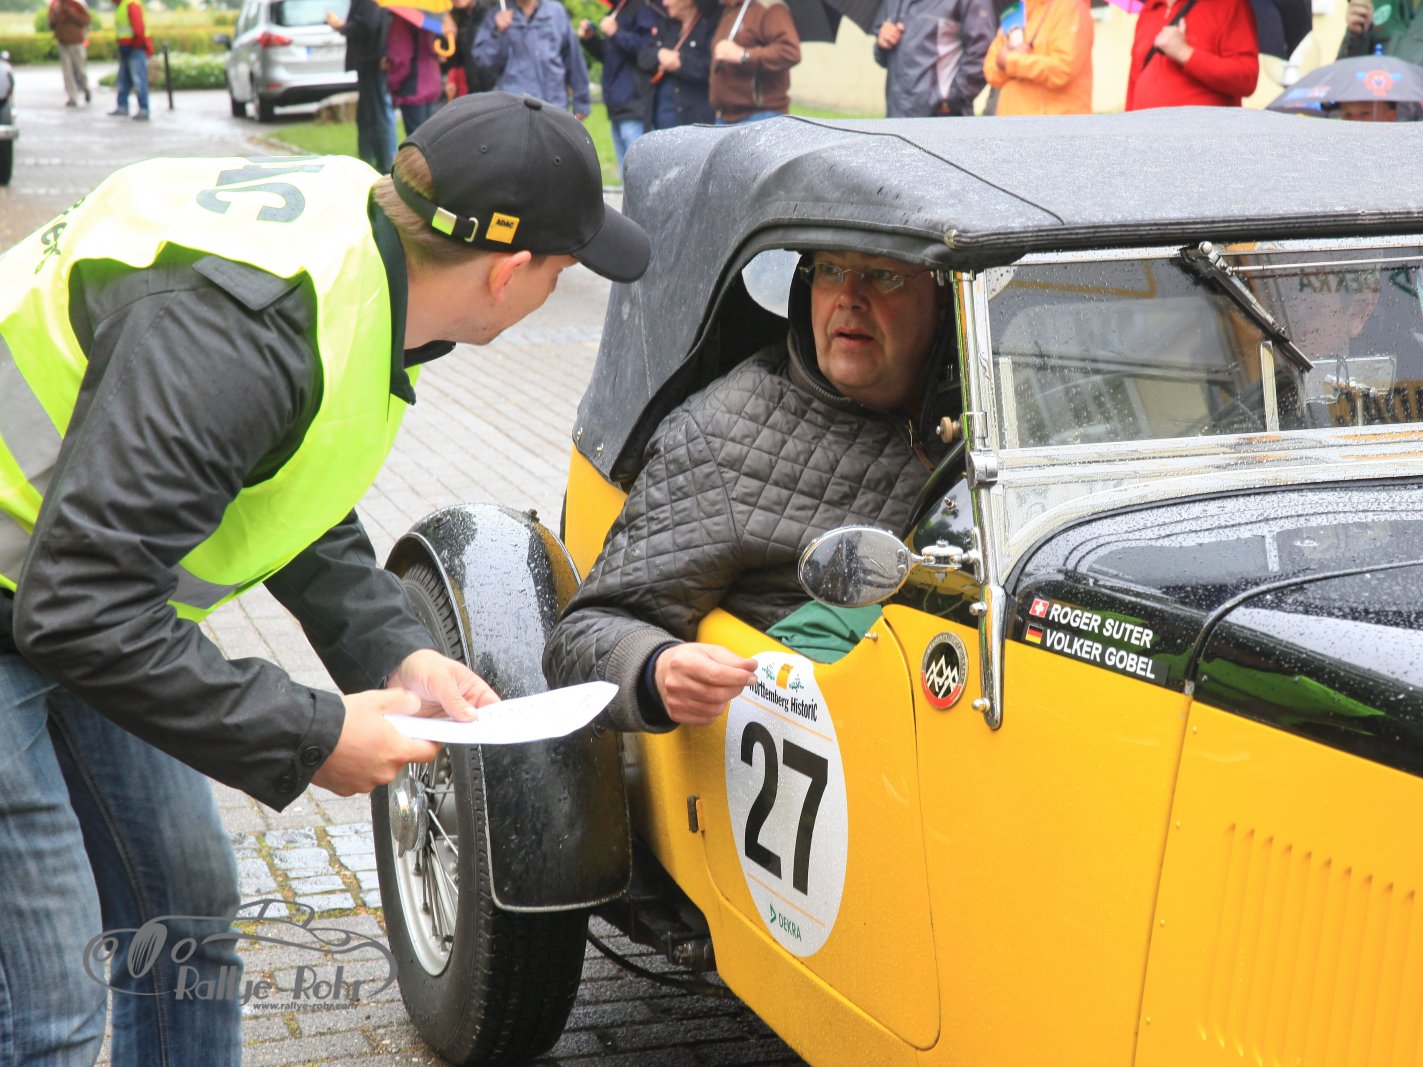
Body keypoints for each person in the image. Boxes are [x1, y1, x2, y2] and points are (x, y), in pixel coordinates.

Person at [0, 90, 650, 1066]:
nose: (557, 290)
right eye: (563, 271)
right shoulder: (241, 334)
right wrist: (313, 734)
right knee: (46, 999)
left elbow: (275, 482)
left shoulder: (359, 252)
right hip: (69, 599)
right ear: (507, 273)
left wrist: (398, 648)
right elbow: (83, 607)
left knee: (182, 911)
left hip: (75, 586)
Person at [543, 251, 959, 729]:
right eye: (830, 270)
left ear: (943, 297)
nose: (849, 298)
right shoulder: (721, 435)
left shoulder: (1002, 406)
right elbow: (579, 636)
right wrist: (656, 669)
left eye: (883, 275)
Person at [1126, 0, 1258, 110]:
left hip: (1205, 131)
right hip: (1145, 130)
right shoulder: (1148, 10)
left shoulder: (1230, 4)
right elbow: (1135, 79)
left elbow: (1247, 79)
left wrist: (1185, 53)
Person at [874, 0, 994, 117]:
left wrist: (951, 99)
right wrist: (882, 42)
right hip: (897, 112)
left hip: (942, 115)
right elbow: (883, 59)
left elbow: (982, 52)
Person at [580, 0, 667, 162]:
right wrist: (591, 40)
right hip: (616, 105)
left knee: (638, 167)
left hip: (635, 103)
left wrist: (617, 33)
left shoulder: (643, 9)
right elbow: (610, 56)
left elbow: (649, 51)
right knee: (625, 170)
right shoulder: (617, 11)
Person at [474, 0, 591, 118]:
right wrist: (498, 32)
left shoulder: (556, 12)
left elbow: (574, 61)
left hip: (554, 108)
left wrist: (582, 104)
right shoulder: (496, 15)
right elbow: (484, 62)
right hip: (516, 112)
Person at [981, 0, 1091, 116]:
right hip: (1011, 121)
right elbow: (990, 71)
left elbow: (1063, 70)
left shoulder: (1070, 7)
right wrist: (1009, 62)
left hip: (1055, 122)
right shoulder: (1016, 10)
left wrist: (1011, 61)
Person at [329, 0, 396, 172]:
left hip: (373, 59)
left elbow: (368, 24)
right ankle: (372, 160)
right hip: (370, 59)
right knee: (369, 114)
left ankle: (386, 163)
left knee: (379, 112)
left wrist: (343, 27)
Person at [709, 0, 801, 124]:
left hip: (760, 116)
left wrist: (744, 55)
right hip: (725, 116)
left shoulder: (769, 8)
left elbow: (789, 52)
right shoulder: (730, 10)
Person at [640, 0, 717, 128]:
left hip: (694, 119)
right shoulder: (666, 26)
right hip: (659, 117)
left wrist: (680, 62)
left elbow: (710, 68)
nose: (665, 3)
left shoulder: (708, 27)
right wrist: (660, 54)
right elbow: (643, 57)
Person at [388, 14, 446, 136]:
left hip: (413, 87)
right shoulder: (430, 18)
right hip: (432, 82)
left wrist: (391, 83)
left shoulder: (403, 20)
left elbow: (401, 58)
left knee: (417, 138)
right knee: (432, 136)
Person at [109, 0, 153, 119]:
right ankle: (122, 106)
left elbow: (138, 29)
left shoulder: (130, 4)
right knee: (124, 80)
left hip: (135, 48)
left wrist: (134, 45)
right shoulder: (121, 5)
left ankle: (143, 109)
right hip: (126, 47)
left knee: (139, 80)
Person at [441, 0, 493, 98]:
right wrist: (449, 40)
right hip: (473, 89)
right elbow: (455, 63)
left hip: (499, 86)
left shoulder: (492, 10)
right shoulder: (451, 18)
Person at [48, 0, 92, 108]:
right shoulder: (55, 6)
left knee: (81, 69)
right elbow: (51, 24)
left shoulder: (76, 5)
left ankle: (86, 88)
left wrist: (72, 13)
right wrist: (56, 16)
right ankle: (72, 97)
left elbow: (86, 20)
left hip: (76, 42)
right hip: (63, 42)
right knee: (67, 71)